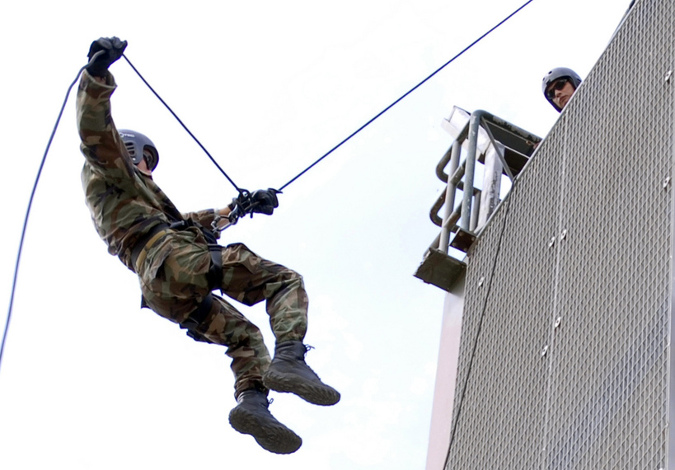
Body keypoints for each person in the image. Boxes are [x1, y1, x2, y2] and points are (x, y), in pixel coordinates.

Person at [76, 37, 340, 455]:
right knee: (282, 279)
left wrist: (242, 206)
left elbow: (193, 222)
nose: (149, 166)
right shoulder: (110, 171)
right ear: (133, 152)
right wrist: (97, 77)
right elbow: (95, 134)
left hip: (162, 287)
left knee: (246, 336)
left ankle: (252, 403)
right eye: (147, 157)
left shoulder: (133, 201)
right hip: (173, 260)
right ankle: (291, 356)